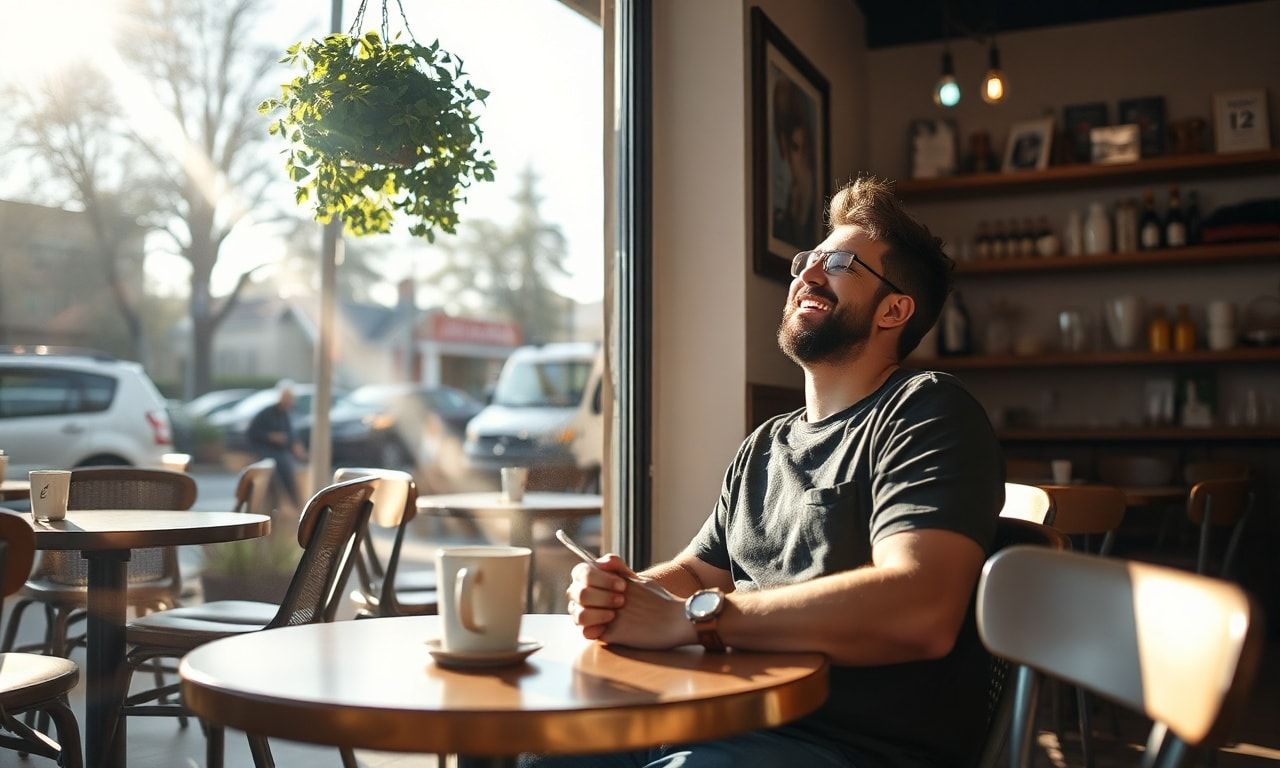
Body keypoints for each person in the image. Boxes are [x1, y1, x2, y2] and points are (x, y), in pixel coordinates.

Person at [533, 177, 1004, 768]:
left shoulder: (927, 411)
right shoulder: (765, 444)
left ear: (894, 309)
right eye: (808, 259)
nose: (805, 273)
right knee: (539, 747)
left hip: (844, 747)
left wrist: (691, 620)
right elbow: (696, 571)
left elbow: (922, 609)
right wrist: (625, 596)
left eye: (838, 263)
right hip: (717, 715)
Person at [246, 381, 306, 513]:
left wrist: (296, 445)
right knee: (277, 469)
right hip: (266, 451)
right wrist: (270, 436)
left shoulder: (285, 415)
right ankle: (277, 506)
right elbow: (252, 432)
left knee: (289, 470)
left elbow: (291, 435)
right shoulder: (266, 413)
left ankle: (297, 507)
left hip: (282, 453)